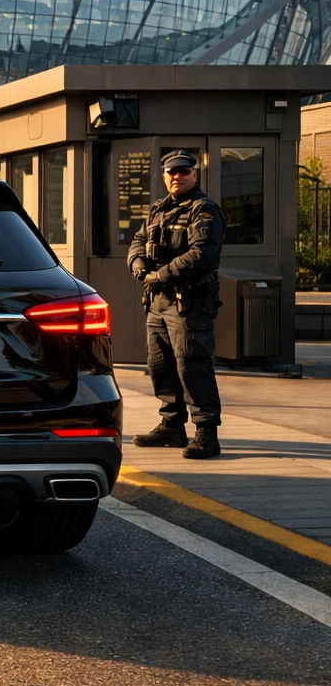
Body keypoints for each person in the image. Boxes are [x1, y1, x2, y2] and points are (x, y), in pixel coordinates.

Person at [127, 150, 225, 459]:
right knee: (161, 366)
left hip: (189, 303)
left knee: (193, 367)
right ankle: (171, 427)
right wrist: (138, 265)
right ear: (164, 175)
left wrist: (160, 275)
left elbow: (202, 254)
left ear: (194, 175)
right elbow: (137, 242)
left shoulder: (204, 210)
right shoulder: (157, 209)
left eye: (183, 171)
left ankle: (207, 434)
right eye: (172, 172)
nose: (177, 176)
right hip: (158, 303)